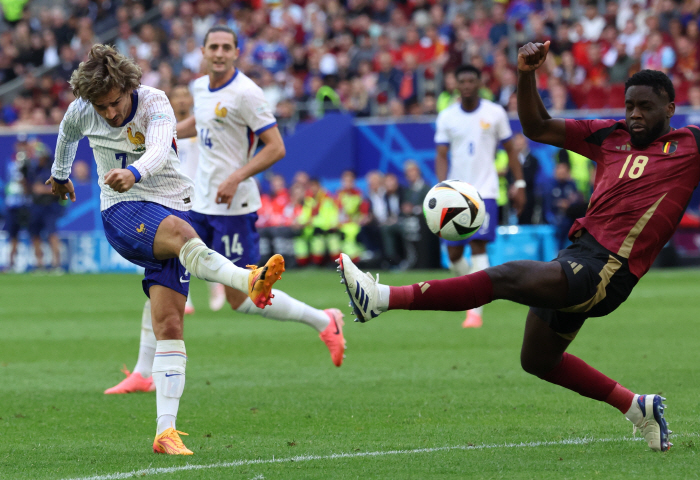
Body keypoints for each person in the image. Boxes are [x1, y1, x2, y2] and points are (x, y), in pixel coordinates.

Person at [339, 44, 694, 453]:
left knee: (504, 276)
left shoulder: (690, 146)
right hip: (576, 256)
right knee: (538, 360)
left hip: (608, 271)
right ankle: (637, 407)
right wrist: (527, 74)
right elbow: (537, 127)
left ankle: (381, 299)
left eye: (645, 107)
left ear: (669, 107)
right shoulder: (609, 135)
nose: (634, 115)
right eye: (629, 105)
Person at [48, 44, 286, 455]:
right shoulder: (82, 109)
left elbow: (158, 148)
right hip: (122, 212)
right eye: (99, 107)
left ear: (129, 86)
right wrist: (59, 175)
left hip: (171, 203)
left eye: (113, 103)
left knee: (170, 325)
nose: (108, 114)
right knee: (179, 232)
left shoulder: (156, 102)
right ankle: (247, 278)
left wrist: (135, 170)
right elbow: (66, 136)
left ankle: (165, 432)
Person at [107, 27, 346, 400]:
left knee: (242, 298)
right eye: (212, 47)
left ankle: (323, 319)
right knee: (160, 277)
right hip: (197, 202)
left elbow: (276, 147)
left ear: (237, 52)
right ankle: (142, 371)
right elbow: (197, 124)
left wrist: (237, 176)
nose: (218, 53)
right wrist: (162, 138)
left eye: (226, 48)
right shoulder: (201, 87)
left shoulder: (247, 93)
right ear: (202, 51)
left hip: (233, 207)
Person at [434, 64, 525, 329]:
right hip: (455, 192)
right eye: (462, 81)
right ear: (456, 85)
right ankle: (471, 289)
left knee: (478, 246)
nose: (466, 85)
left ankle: (475, 311)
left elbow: (510, 149)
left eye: (471, 80)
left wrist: (519, 183)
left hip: (485, 191)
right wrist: (441, 187)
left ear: (479, 83)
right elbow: (441, 155)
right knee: (453, 254)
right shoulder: (447, 116)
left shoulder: (494, 113)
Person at [26, 142, 64, 272]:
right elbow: (30, 188)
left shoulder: (53, 169)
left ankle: (56, 264)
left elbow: (60, 189)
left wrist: (43, 189)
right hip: (36, 205)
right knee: (35, 234)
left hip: (50, 205)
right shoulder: (34, 169)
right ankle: (39, 263)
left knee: (52, 234)